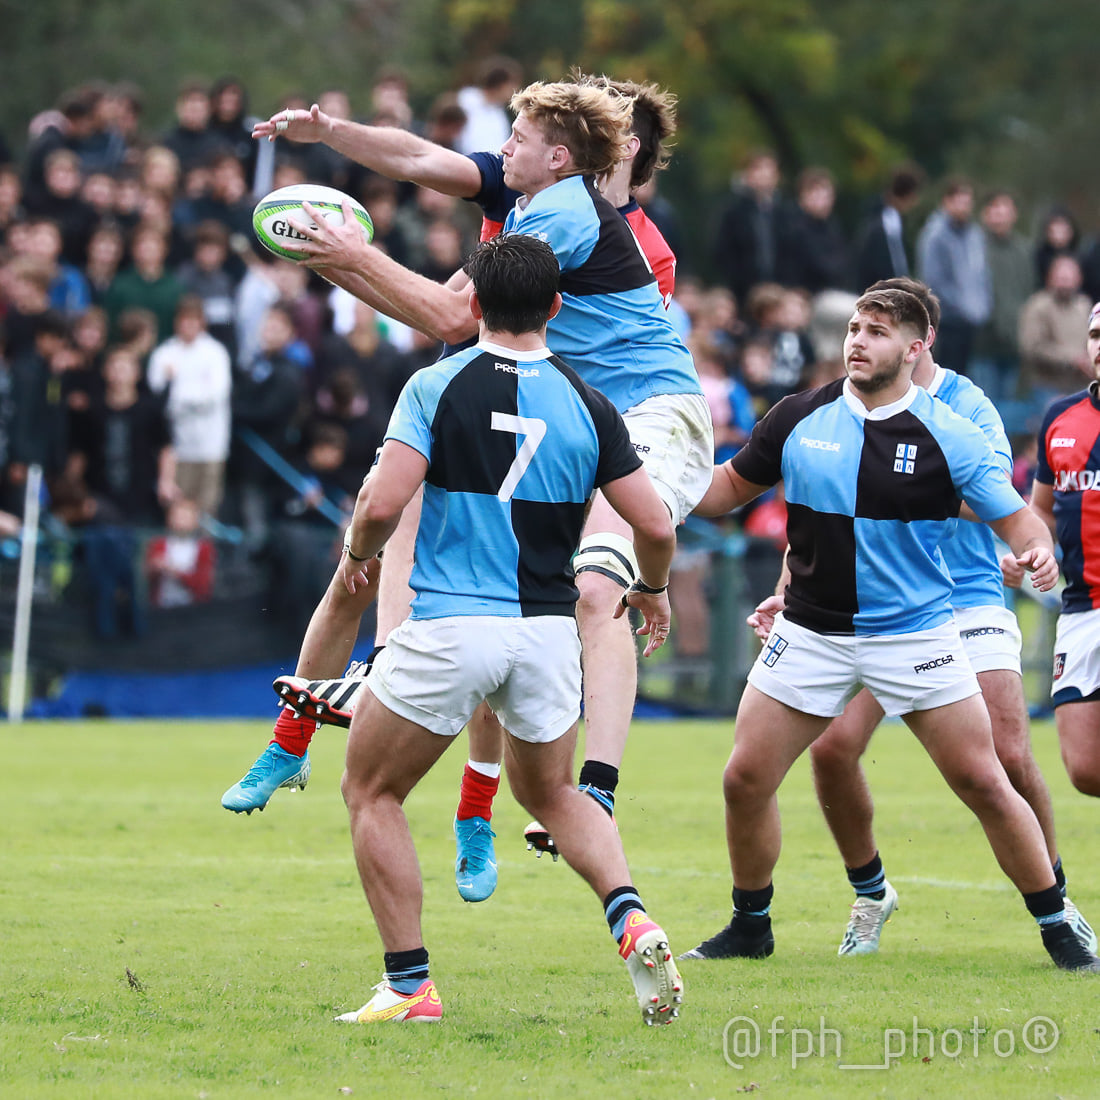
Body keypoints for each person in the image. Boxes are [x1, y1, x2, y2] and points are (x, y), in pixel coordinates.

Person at [226, 79, 711, 898]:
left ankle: (591, 783)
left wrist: (346, 254)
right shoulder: (526, 194)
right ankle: (313, 718)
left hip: (641, 413)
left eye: (516, 134)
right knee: (394, 522)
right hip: (550, 400)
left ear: (564, 155)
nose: (501, 146)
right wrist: (331, 140)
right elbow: (419, 166)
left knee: (589, 589)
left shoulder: (572, 213)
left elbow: (452, 317)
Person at [680, 286, 1100, 973]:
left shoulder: (951, 429)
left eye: (876, 331)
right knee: (744, 778)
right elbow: (724, 490)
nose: (857, 341)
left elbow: (1018, 516)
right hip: (813, 631)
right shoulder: (799, 415)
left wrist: (1037, 547)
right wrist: (650, 481)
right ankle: (752, 924)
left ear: (913, 348)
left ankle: (1059, 926)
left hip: (914, 634)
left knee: (986, 779)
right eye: (853, 327)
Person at [328, 234, 683, 1025]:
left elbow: (384, 506)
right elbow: (653, 524)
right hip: (548, 637)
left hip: (453, 626)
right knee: (555, 792)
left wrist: (358, 553)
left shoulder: (435, 384)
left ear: (475, 305)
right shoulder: (590, 403)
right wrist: (652, 587)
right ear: (558, 306)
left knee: (372, 789)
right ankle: (630, 914)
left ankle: (409, 985)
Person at [1008, 302, 1100, 801]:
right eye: (1096, 334)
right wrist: (1027, 551)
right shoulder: (1060, 417)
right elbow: (1038, 510)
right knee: (1085, 770)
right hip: (1082, 607)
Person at [915, 176, 991, 376]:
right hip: (947, 321)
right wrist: (963, 307)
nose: (963, 207)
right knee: (945, 375)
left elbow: (980, 275)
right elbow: (934, 280)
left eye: (967, 201)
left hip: (972, 323)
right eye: (958, 201)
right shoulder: (935, 236)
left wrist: (981, 307)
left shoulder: (974, 235)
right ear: (946, 202)